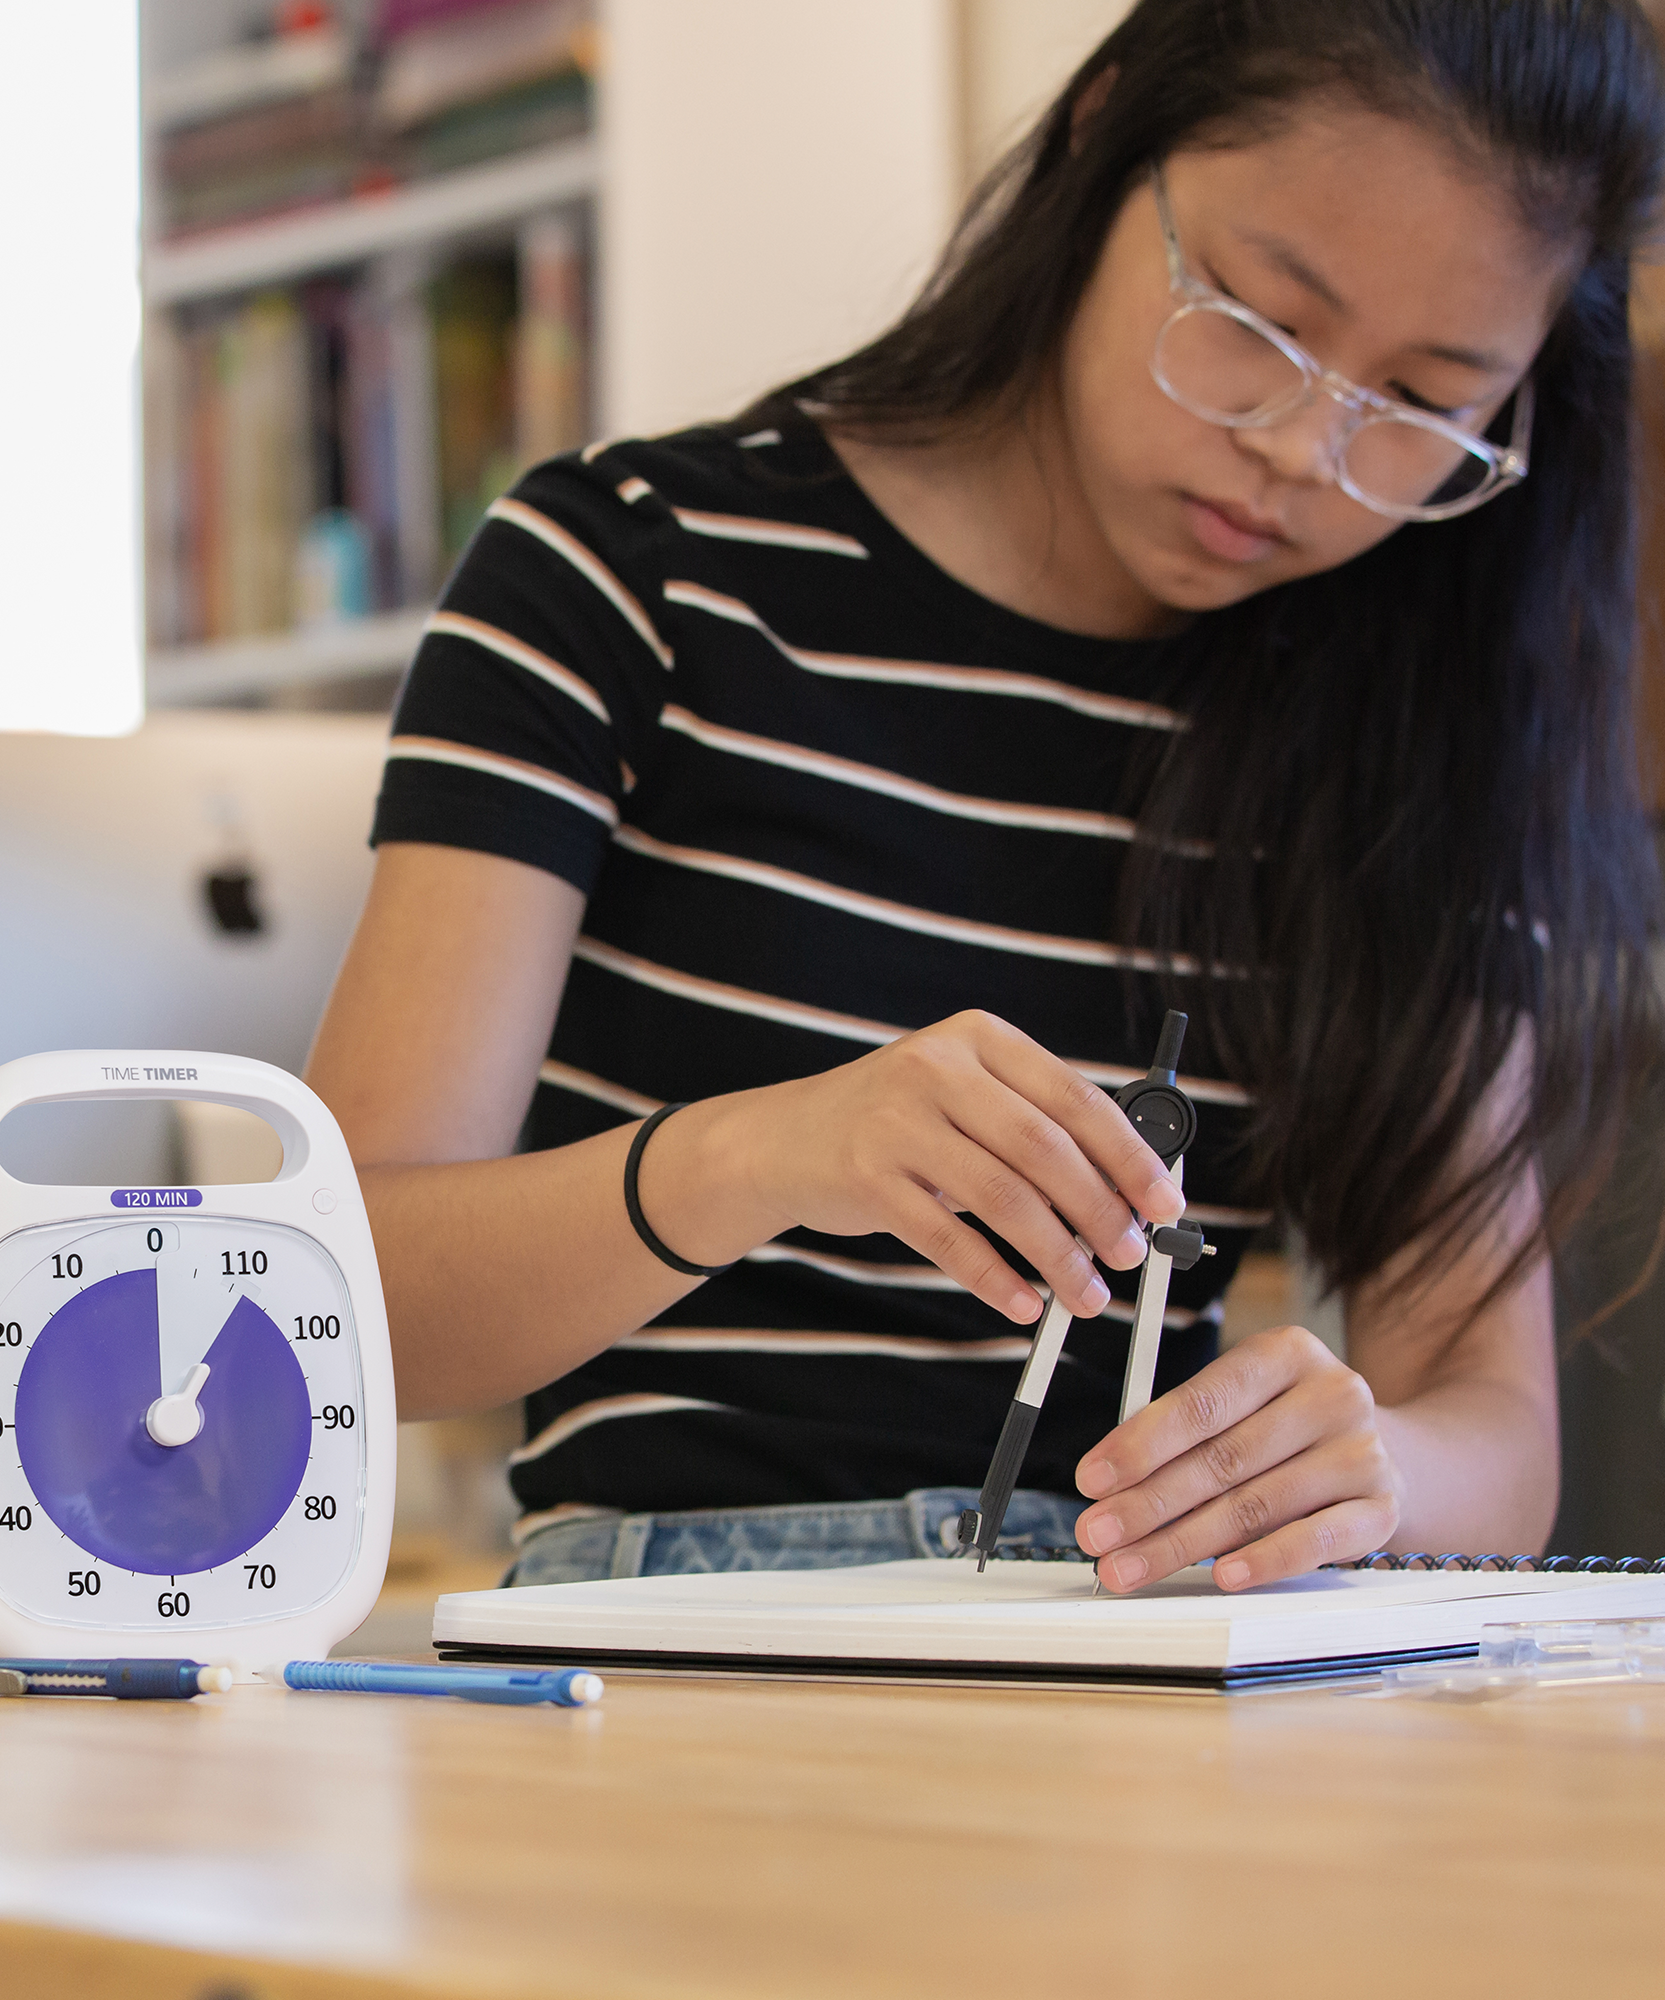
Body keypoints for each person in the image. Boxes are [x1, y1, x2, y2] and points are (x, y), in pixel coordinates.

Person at [306, 0, 1665, 1592]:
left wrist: (1365, 1465)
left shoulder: (1415, 743)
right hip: (686, 1629)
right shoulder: (634, 577)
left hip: (1146, 1649)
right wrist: (758, 1159)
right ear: (1104, 144)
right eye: (1259, 317)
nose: (1304, 451)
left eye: (1429, 405)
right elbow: (335, 1303)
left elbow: (1490, 1436)